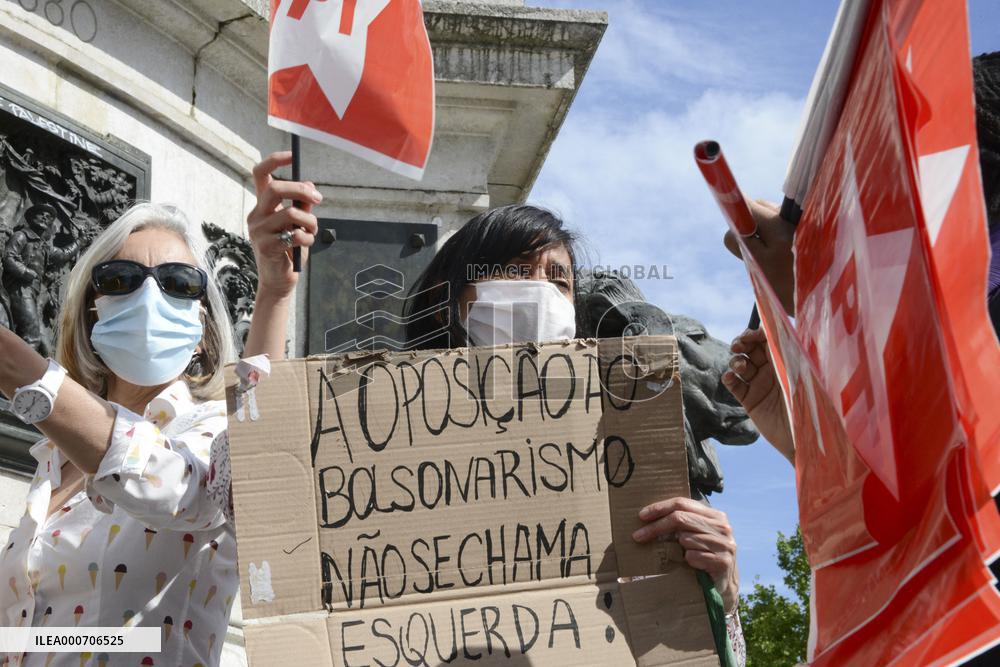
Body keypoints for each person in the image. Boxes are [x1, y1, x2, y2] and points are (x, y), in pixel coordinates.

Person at [244, 153, 745, 664]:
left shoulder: (625, 454)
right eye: (515, 272)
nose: (539, 293)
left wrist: (720, 595)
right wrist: (275, 293)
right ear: (450, 299)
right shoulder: (371, 432)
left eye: (559, 281)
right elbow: (256, 478)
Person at [0, 202, 238, 666]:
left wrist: (21, 371)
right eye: (120, 279)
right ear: (91, 314)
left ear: (204, 329)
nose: (149, 297)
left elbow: (188, 491)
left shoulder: (216, 430)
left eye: (178, 283)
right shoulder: (54, 459)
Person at [2, 203, 81, 355]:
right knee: (32, 337)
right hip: (20, 289)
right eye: (41, 213)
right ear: (31, 217)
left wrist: (80, 241)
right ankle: (20, 370)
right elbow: (8, 257)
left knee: (34, 338)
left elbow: (62, 255)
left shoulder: (44, 246)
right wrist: (25, 272)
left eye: (49, 216)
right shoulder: (22, 236)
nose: (45, 217)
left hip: (32, 292)